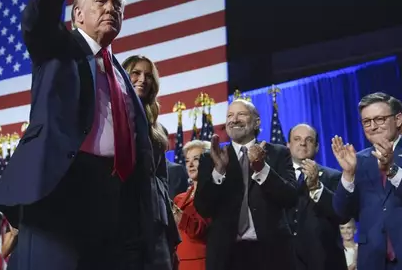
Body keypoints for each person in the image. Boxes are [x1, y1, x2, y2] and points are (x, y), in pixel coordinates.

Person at [0, 0, 159, 270]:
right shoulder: (57, 46)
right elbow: (37, 18)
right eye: (102, 1)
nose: (111, 8)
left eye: (117, 5)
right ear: (77, 15)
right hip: (59, 191)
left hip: (114, 198)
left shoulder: (121, 75)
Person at [332, 92, 402, 270]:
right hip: (373, 260)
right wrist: (348, 174)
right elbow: (341, 214)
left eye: (380, 119)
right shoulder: (357, 160)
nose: (373, 126)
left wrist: (393, 171)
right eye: (367, 121)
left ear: (397, 120)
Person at [194, 98, 297, 270]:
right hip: (227, 256)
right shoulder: (211, 157)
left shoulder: (278, 153)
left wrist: (262, 169)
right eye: (230, 115)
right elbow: (203, 207)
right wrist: (218, 171)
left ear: (256, 122)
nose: (234, 119)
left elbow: (291, 197)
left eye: (241, 114)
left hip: (271, 254)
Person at [123, 54, 181, 270]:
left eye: (148, 75)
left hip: (157, 217)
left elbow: (163, 177)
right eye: (136, 73)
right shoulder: (113, 116)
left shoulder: (158, 129)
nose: (142, 79)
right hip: (125, 212)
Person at [286, 124, 348, 270]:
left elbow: (341, 215)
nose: (302, 143)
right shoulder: (277, 176)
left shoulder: (333, 177)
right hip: (285, 260)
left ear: (317, 146)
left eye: (309, 140)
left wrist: (316, 187)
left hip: (323, 261)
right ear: (287, 145)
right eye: (297, 139)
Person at [173, 140, 211, 270]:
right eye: (187, 160)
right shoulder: (179, 199)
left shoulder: (213, 193)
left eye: (196, 159)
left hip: (200, 262)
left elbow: (200, 230)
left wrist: (180, 217)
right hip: (179, 261)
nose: (190, 164)